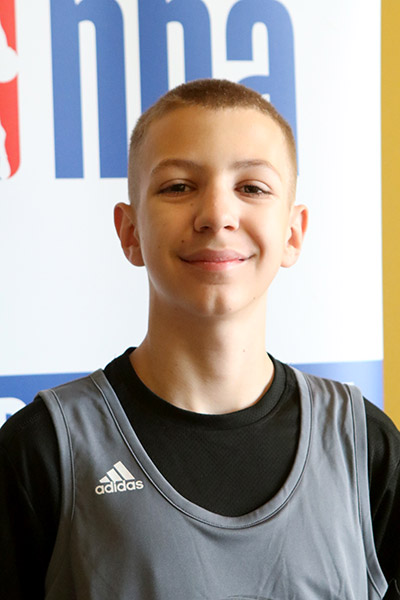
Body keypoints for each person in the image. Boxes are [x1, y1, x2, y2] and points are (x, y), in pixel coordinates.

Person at [1, 79, 399, 599]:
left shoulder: (363, 445)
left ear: (293, 232)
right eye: (178, 187)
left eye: (251, 188)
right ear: (129, 232)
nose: (216, 216)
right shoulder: (41, 451)